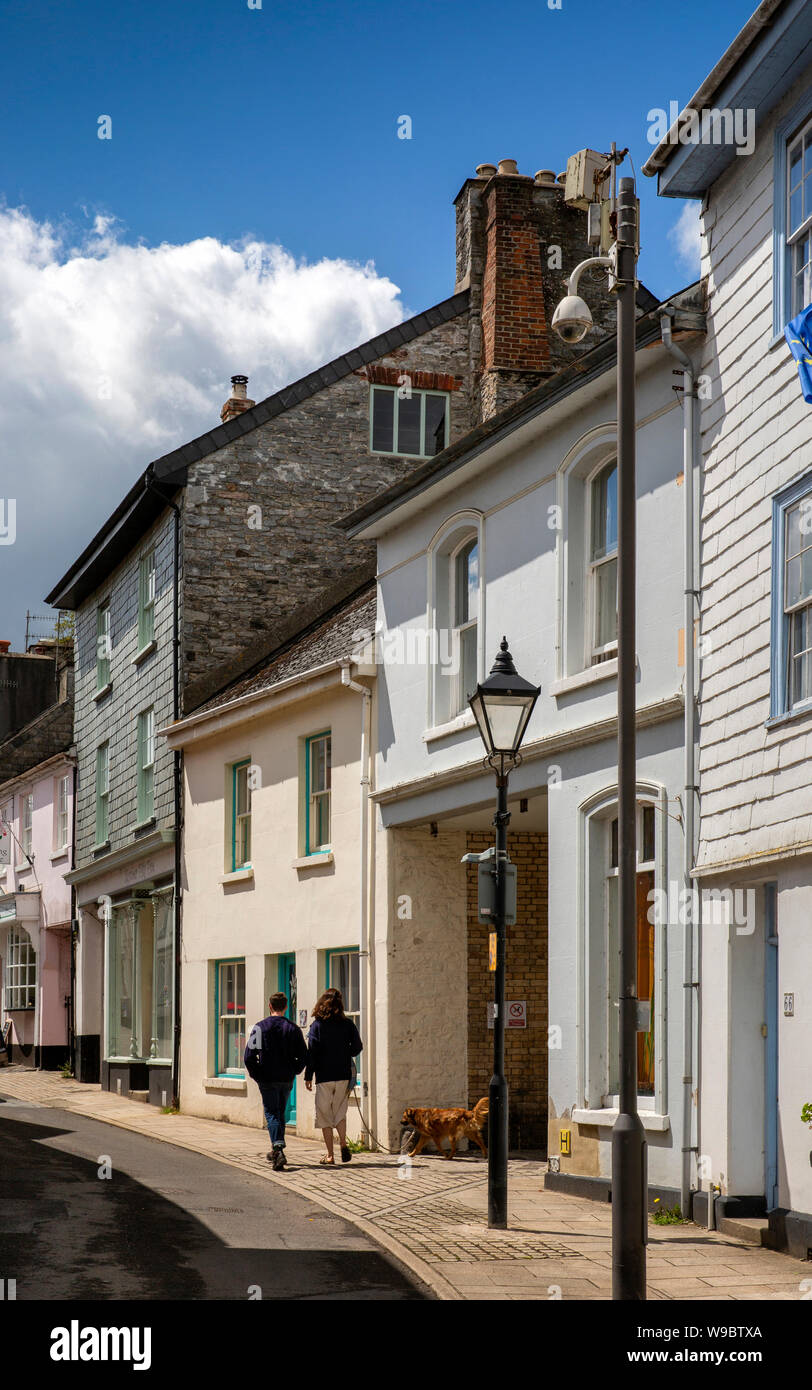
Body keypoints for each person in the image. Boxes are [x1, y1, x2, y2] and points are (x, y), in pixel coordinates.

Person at [244, 991, 307, 1170]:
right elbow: (303, 1056)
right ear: (286, 1007)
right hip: (286, 1078)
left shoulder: (259, 1028)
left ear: (270, 1006)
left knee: (272, 1113)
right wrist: (294, 1070)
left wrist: (257, 1075)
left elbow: (249, 1056)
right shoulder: (293, 1029)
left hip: (267, 1078)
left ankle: (278, 1148)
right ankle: (276, 1149)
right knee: (279, 1112)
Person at [305, 988, 363, 1166]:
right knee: (340, 1113)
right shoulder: (347, 1024)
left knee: (324, 1116)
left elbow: (312, 1053)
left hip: (324, 1076)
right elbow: (357, 1047)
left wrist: (308, 1075)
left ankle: (330, 1154)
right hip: (343, 1075)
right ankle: (344, 1144)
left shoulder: (317, 1026)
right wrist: (345, 1053)